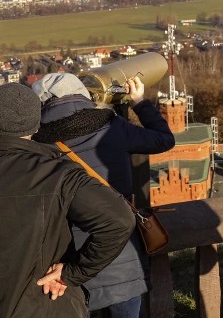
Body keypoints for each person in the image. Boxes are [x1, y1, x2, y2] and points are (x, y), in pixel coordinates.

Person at [31, 73, 176, 318]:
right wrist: (139, 102)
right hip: (122, 259)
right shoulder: (111, 126)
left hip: (67, 265)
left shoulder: (37, 144)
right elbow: (164, 139)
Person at [0, 82, 136, 318]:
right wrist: (71, 273)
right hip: (46, 303)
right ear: (35, 124)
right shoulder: (57, 173)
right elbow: (119, 220)